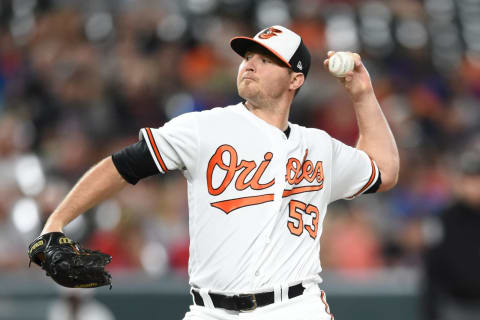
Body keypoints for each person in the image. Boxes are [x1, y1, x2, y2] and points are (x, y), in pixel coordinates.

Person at [35, 25, 399, 319]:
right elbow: (124, 165)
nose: (250, 64)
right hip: (210, 310)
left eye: (267, 60)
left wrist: (362, 94)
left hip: (294, 308)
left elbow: (385, 171)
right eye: (249, 56)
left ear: (295, 80)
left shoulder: (319, 146)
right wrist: (56, 222)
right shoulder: (204, 128)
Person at [422, 144, 480, 320]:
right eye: (469, 180)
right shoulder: (444, 220)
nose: (474, 186)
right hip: (455, 306)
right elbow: (432, 271)